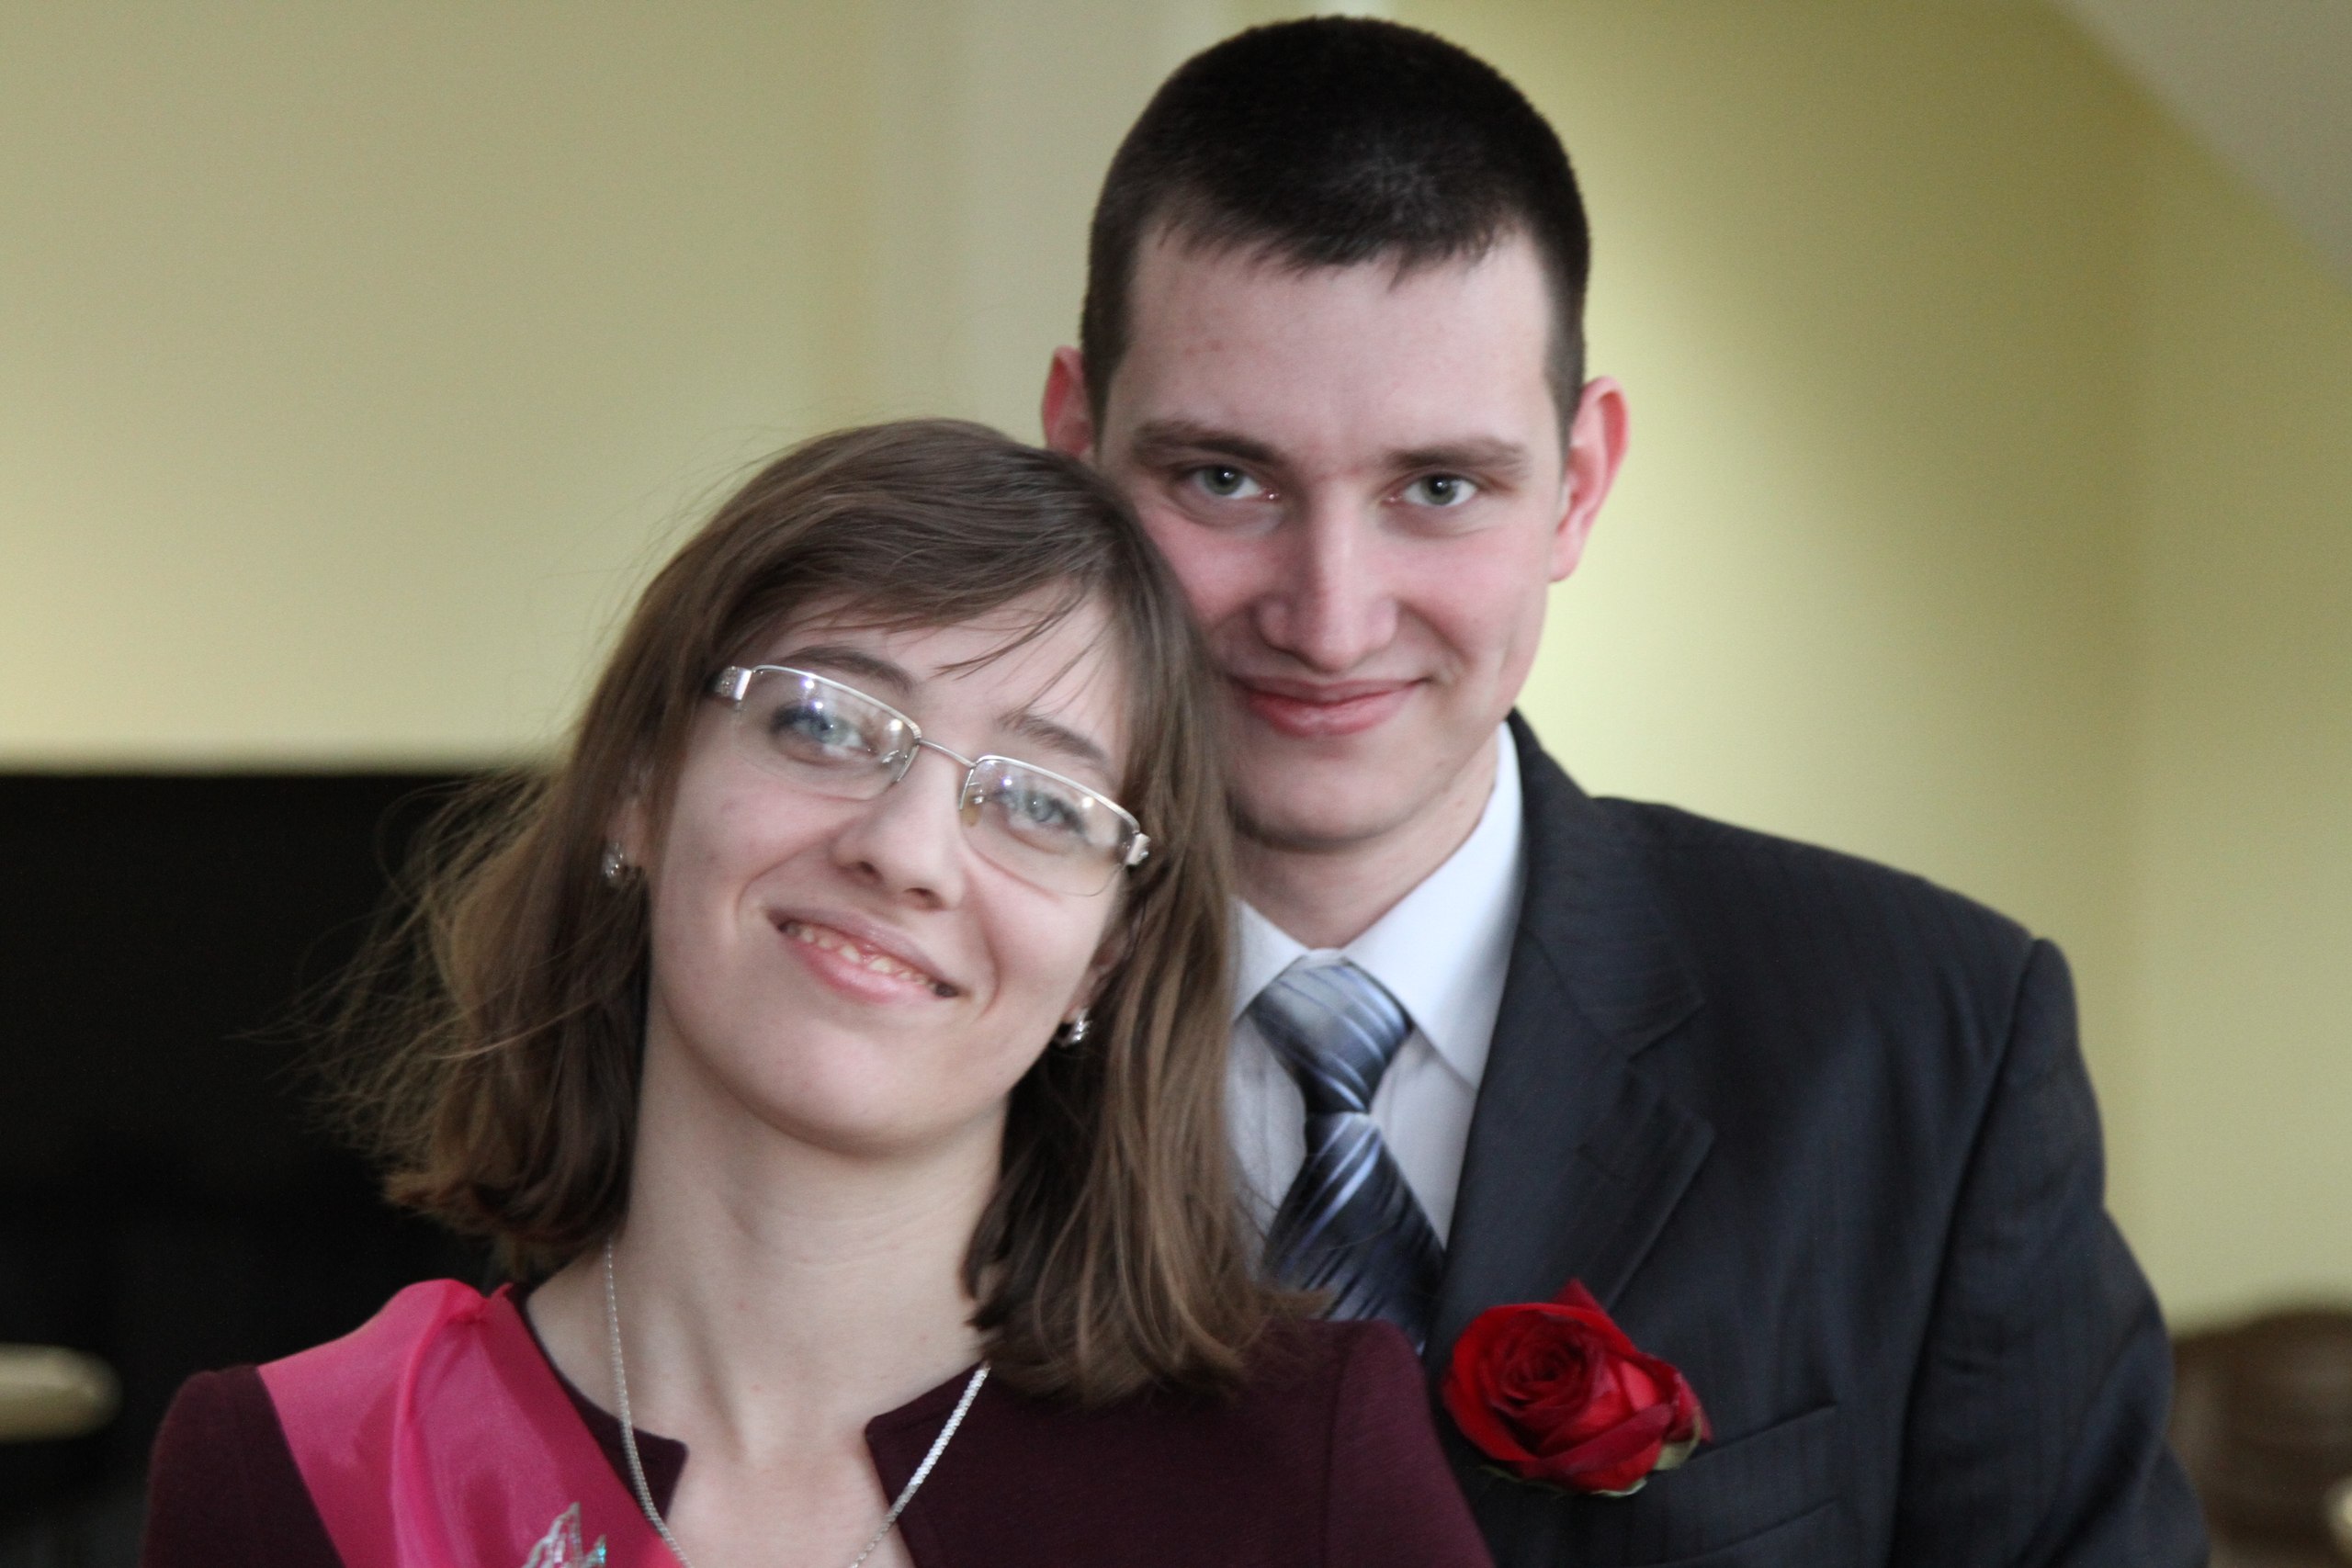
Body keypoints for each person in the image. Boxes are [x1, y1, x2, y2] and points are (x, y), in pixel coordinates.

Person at [1040, 18, 2207, 1567]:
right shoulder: (917, 1010)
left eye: (1438, 487)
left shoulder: (1932, 1043)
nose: (1331, 617)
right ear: (1077, 451)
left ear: (1578, 485)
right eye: (1223, 479)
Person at [140, 421, 1492, 1568]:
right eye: (824, 723)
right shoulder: (291, 1471)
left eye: (1040, 802)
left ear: (1109, 952)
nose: (907, 852)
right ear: (640, 785)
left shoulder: (1304, 1470)